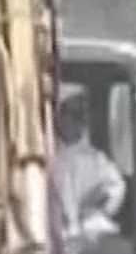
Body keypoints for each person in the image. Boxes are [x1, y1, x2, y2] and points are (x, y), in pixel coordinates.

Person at [52, 92, 125, 246]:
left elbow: (116, 187)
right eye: (65, 118)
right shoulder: (50, 154)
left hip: (87, 233)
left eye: (75, 120)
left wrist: (98, 203)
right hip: (56, 234)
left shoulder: (95, 159)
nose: (68, 124)